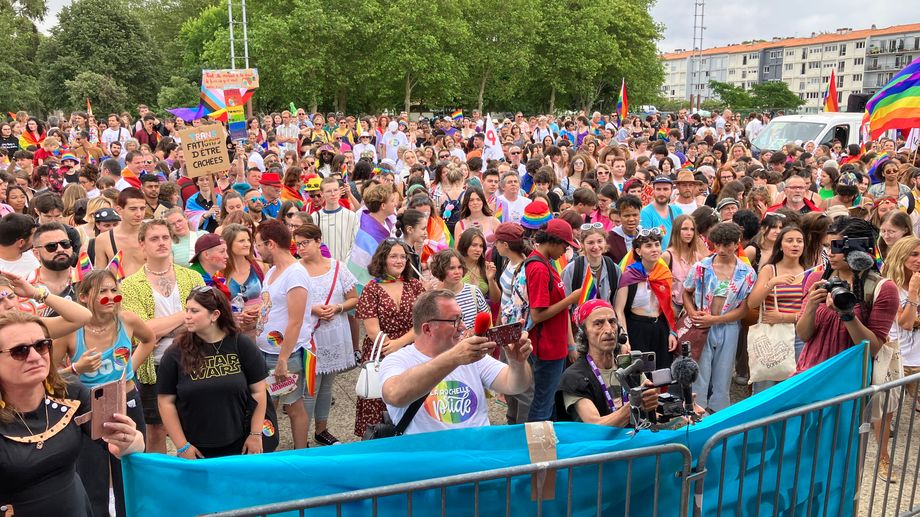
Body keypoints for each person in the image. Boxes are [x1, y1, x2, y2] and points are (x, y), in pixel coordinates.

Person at [0, 311, 143, 516]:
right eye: (19, 351)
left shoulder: (70, 391)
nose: (35, 357)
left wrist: (130, 440)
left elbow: (126, 446)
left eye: (41, 346)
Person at [54, 270, 155, 517]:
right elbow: (52, 375)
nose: (111, 297)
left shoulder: (127, 320)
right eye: (103, 291)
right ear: (84, 297)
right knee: (92, 477)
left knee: (130, 470)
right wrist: (77, 368)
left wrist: (130, 369)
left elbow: (149, 339)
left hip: (126, 400)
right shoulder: (69, 330)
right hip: (89, 407)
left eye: (114, 290)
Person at [379, 289, 533, 435]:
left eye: (462, 318)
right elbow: (394, 395)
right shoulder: (398, 360)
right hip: (428, 459)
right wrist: (454, 357)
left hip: (478, 454)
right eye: (455, 320)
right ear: (427, 329)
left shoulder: (472, 356)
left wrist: (517, 363)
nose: (463, 326)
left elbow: (516, 386)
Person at [120, 219, 205, 453]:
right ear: (142, 245)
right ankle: (160, 482)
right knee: (155, 428)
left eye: (165, 237)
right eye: (154, 238)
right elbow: (144, 333)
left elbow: (205, 320)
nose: (161, 243)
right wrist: (186, 315)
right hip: (153, 365)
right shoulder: (129, 286)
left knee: (196, 421)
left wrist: (160, 328)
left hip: (194, 359)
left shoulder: (192, 278)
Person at [157, 285, 272, 459]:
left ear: (215, 315)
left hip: (241, 445)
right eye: (186, 309)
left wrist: (255, 435)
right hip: (196, 449)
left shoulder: (241, 344)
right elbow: (165, 401)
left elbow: (258, 391)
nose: (186, 316)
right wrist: (182, 446)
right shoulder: (175, 353)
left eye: (194, 311)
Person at [796, 218, 898, 373]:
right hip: (810, 374)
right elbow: (804, 335)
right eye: (826, 246)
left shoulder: (882, 288)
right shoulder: (817, 279)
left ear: (859, 248)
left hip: (850, 381)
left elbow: (871, 350)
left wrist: (847, 314)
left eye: (837, 247)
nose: (829, 254)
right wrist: (811, 305)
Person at [354, 238, 425, 437]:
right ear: (383, 259)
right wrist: (390, 347)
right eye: (394, 256)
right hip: (380, 350)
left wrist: (399, 344)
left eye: (403, 256)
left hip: (410, 348)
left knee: (411, 398)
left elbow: (421, 323)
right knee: (378, 400)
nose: (399, 260)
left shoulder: (415, 286)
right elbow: (372, 330)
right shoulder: (371, 288)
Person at [294, 224, 358, 446]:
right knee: (310, 387)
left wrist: (338, 308)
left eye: (305, 243)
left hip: (334, 332)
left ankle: (321, 429)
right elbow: (288, 301)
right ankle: (301, 436)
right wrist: (313, 308)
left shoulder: (338, 267)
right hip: (310, 335)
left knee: (327, 386)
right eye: (298, 244)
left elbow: (353, 298)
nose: (301, 248)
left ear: (318, 242)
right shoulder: (296, 269)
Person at [681, 222, 755, 412]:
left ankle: (719, 417)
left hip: (728, 327)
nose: (721, 249)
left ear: (736, 243)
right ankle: (697, 415)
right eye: (717, 244)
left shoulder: (747, 272)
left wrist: (715, 320)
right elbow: (686, 292)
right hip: (702, 327)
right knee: (700, 374)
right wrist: (692, 312)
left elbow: (743, 309)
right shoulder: (701, 267)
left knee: (723, 375)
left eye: (727, 245)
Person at [253, 219, 311, 450]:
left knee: (293, 405)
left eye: (258, 245)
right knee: (268, 405)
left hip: (284, 355)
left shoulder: (295, 274)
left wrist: (283, 360)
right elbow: (271, 307)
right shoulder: (274, 272)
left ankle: (301, 453)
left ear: (271, 244)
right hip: (267, 351)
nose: (256, 250)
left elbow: (295, 321)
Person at [559, 300, 659, 426]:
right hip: (601, 445)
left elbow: (651, 415)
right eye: (598, 324)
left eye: (612, 322)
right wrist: (634, 404)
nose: (609, 330)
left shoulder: (630, 366)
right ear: (584, 333)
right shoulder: (573, 377)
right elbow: (596, 425)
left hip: (637, 440)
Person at [523, 220, 583, 421]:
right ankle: (538, 449)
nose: (565, 251)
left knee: (547, 402)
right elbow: (537, 314)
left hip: (553, 346)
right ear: (553, 241)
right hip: (546, 348)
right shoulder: (539, 268)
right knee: (542, 404)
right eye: (564, 246)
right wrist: (570, 300)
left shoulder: (546, 263)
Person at [746, 226, 808, 394]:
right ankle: (760, 420)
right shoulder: (769, 269)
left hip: (801, 335)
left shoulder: (809, 271)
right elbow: (752, 303)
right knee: (765, 388)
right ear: (780, 246)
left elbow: (813, 309)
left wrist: (783, 317)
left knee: (794, 389)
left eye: (799, 241)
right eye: (789, 241)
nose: (795, 245)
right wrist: (772, 283)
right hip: (772, 335)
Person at [615, 228, 678, 371]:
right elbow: (619, 310)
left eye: (657, 244)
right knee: (640, 375)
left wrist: (672, 332)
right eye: (648, 246)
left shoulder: (664, 273)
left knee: (663, 374)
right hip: (636, 329)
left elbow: (667, 307)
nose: (654, 249)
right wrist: (625, 339)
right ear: (638, 251)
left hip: (660, 328)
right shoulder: (630, 275)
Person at [430, 249, 489, 330]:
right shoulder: (435, 298)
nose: (457, 272)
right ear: (441, 270)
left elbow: (486, 321)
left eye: (460, 267)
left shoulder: (474, 291)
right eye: (451, 268)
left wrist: (474, 331)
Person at [563, 224, 620, 307]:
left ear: (605, 242)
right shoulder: (571, 270)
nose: (596, 247)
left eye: (600, 241)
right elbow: (566, 306)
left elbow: (617, 305)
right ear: (582, 244)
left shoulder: (614, 269)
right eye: (590, 243)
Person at [93, 188, 146, 277]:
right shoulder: (104, 239)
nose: (139, 214)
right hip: (119, 289)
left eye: (142, 208)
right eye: (133, 209)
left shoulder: (153, 234)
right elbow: (100, 277)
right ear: (119, 210)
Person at [311, 177, 359, 263]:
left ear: (340, 192)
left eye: (336, 190)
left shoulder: (352, 216)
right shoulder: (314, 217)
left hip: (344, 267)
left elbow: (355, 245)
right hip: (323, 267)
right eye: (329, 191)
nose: (333, 194)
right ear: (322, 194)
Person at [640, 176, 681, 248]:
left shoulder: (677, 211)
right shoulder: (645, 213)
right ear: (653, 190)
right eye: (658, 189)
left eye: (665, 189)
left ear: (671, 191)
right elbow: (646, 242)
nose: (662, 193)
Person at [188, 233, 231, 299]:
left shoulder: (218, 276)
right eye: (222, 252)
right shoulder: (190, 278)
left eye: (226, 251)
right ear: (206, 255)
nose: (227, 256)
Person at [606, 195, 642, 263]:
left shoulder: (645, 235)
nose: (631, 219)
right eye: (627, 216)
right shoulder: (610, 239)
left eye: (635, 215)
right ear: (619, 216)